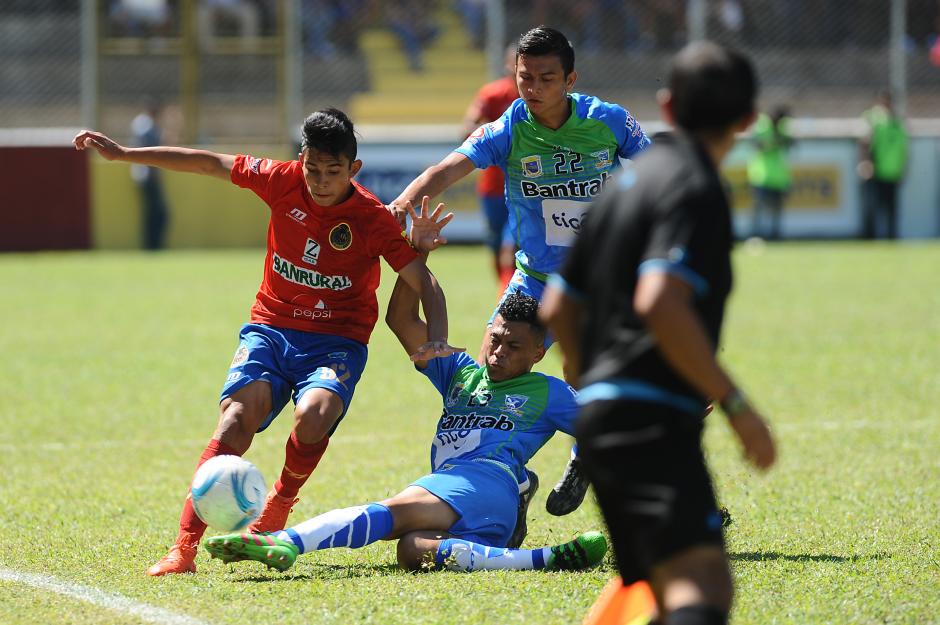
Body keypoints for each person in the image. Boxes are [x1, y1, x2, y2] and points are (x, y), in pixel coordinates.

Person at [73, 108, 454, 576]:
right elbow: (207, 163)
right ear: (301, 159)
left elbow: (424, 281)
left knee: (313, 416)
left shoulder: (372, 218)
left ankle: (278, 507)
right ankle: (183, 549)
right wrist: (126, 153)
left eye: (332, 172)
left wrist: (438, 338)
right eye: (312, 168)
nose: (319, 181)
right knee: (234, 421)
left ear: (353, 169)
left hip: (336, 341)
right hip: (271, 330)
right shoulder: (280, 179)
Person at [204, 203, 607, 573]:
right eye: (496, 339)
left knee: (393, 512)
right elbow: (400, 318)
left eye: (514, 347)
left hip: (484, 482)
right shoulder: (459, 372)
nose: (498, 352)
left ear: (539, 353)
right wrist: (418, 253)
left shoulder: (547, 391)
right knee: (414, 550)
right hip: (476, 506)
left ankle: (286, 542)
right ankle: (542, 559)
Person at [540, 41, 776, 625]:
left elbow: (558, 305)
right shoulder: (696, 188)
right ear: (748, 119)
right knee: (703, 587)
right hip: (652, 422)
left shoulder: (624, 184)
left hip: (598, 422)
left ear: (667, 107)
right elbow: (661, 301)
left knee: (661, 585)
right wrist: (737, 404)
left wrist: (591, 382)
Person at [388, 25, 651, 518]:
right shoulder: (509, 127)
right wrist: (402, 202)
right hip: (534, 279)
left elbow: (659, 170)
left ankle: (586, 460)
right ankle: (505, 478)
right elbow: (448, 168)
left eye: (546, 78)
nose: (533, 89)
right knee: (494, 370)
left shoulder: (608, 121)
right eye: (524, 78)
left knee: (584, 372)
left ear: (570, 78)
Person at [460, 44, 519, 289]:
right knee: (496, 245)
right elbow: (466, 128)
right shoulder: (493, 94)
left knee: (512, 244)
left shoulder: (543, 99)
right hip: (493, 188)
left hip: (524, 186)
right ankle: (504, 290)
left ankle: (511, 295)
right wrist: (497, 138)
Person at [858, 90, 908, 239]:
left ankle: (891, 236)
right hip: (876, 171)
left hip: (893, 172)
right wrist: (866, 162)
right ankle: (870, 236)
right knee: (873, 206)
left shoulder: (898, 124)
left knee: (891, 208)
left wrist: (904, 169)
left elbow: (904, 150)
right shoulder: (874, 120)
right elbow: (865, 142)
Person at [747, 105, 793, 241]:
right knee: (759, 207)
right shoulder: (762, 126)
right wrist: (772, 143)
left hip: (779, 176)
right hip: (761, 175)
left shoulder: (783, 128)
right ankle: (755, 234)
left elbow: (790, 143)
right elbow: (756, 145)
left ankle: (775, 235)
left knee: (776, 208)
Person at [130, 99, 170, 250]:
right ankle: (153, 245)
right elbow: (151, 151)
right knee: (158, 212)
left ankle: (151, 245)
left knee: (153, 212)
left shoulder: (141, 123)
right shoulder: (146, 126)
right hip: (148, 175)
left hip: (143, 174)